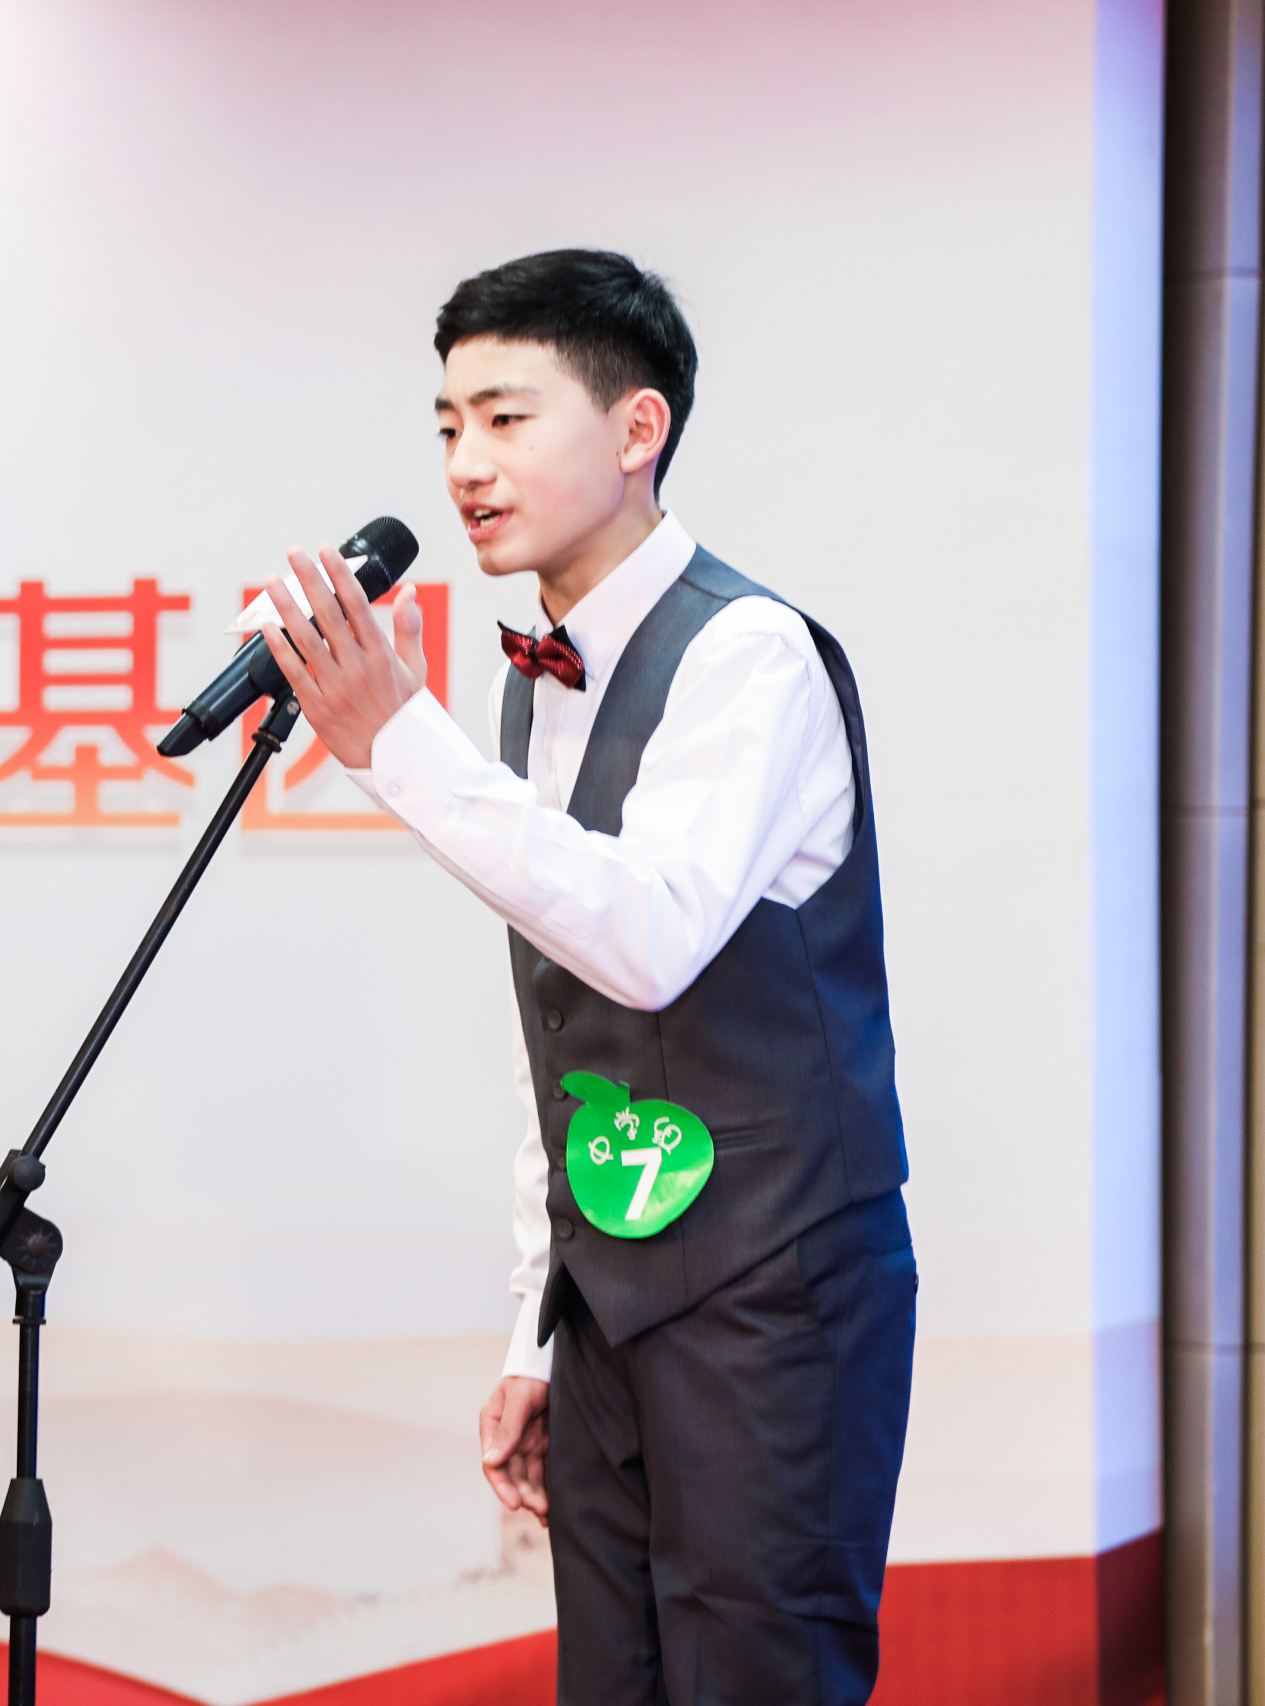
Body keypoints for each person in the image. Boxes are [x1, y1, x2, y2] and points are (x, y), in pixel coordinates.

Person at [255, 249, 916, 1705]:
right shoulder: (539, 675)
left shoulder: (749, 655)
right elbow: (563, 1037)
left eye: (506, 417)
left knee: (755, 1679)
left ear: (637, 429)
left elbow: (649, 936)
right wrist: (538, 1324)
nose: (464, 464)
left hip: (769, 1284)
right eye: (447, 425)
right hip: (609, 1293)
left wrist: (397, 741)